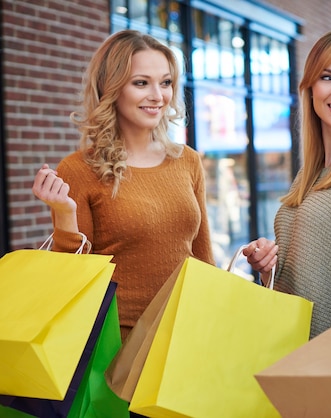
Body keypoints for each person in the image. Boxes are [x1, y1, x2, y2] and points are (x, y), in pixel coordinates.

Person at [32, 30, 215, 340]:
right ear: (112, 88)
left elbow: (203, 255)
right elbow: (72, 278)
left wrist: (213, 316)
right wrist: (64, 214)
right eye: (141, 83)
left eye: (166, 82)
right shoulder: (78, 169)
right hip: (119, 342)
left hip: (186, 332)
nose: (158, 96)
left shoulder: (188, 160)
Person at [242, 30, 331, 339]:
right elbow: (314, 275)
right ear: (309, 87)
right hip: (288, 353)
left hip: (329, 365)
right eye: (327, 77)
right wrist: (269, 265)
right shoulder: (308, 175)